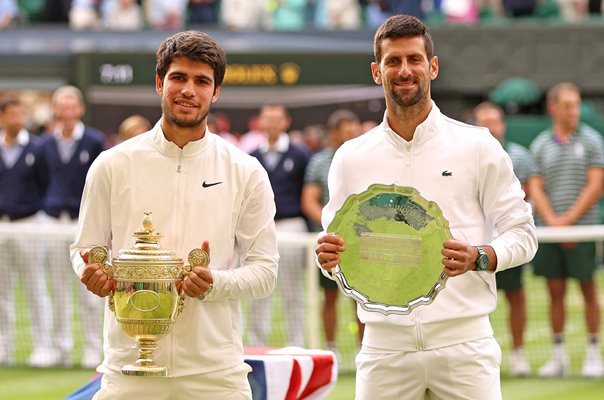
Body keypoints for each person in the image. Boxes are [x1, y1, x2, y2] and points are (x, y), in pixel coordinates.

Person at [315, 15, 537, 399]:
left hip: (464, 344)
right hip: (384, 348)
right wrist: (330, 259)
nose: (404, 70)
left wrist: (479, 257)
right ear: (376, 71)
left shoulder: (478, 145)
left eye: (414, 59)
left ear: (432, 67)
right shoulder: (351, 157)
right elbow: (337, 252)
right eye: (393, 61)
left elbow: (523, 234)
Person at [70, 30, 278, 399]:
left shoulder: (245, 170)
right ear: (159, 83)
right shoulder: (113, 164)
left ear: (215, 92)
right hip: (129, 370)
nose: (189, 90)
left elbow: (265, 272)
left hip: (216, 373)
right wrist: (91, 272)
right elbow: (84, 248)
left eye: (202, 81)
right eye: (178, 77)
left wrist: (214, 283)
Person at [529, 82, 604, 379]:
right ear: (553, 108)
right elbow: (536, 186)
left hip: (584, 233)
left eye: (576, 105)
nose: (574, 111)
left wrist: (569, 222)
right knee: (554, 292)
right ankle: (558, 356)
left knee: (588, 290)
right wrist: (555, 224)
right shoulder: (540, 144)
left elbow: (596, 185)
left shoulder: (593, 140)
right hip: (550, 233)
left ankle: (593, 353)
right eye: (568, 105)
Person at [39, 85, 106, 368]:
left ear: (80, 109)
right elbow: (42, 180)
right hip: (53, 222)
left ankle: (93, 348)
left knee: (90, 291)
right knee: (57, 288)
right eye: (61, 106)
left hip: (84, 223)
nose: (66, 112)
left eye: (71, 106)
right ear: (56, 110)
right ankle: (59, 348)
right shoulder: (44, 144)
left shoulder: (94, 141)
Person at [473, 101, 534, 377]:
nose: (489, 127)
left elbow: (528, 192)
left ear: (502, 124)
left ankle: (519, 354)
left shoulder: (519, 155)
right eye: (483, 122)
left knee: (515, 296)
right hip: (474, 246)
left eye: (493, 121)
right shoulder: (467, 157)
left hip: (508, 241)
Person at [301, 109, 364, 355]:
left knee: (361, 297)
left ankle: (364, 349)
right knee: (328, 296)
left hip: (359, 240)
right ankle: (331, 350)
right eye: (346, 132)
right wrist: (333, 227)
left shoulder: (365, 160)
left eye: (354, 131)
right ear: (335, 134)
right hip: (328, 239)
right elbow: (310, 201)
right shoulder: (318, 162)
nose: (351, 136)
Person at [248, 103, 309, 348]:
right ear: (260, 123)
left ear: (286, 122)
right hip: (260, 228)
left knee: (292, 290)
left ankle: (297, 344)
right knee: (256, 289)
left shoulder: (300, 155)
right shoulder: (252, 156)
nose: (272, 123)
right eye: (267, 119)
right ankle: (256, 345)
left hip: (291, 226)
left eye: (277, 119)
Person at [0, 98, 53, 367]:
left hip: (30, 223)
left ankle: (42, 347)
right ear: (2, 117)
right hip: (2, 227)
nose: (17, 118)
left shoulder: (38, 147)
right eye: (12, 113)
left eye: (21, 113)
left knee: (35, 287)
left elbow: (45, 183)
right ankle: (4, 346)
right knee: (3, 290)